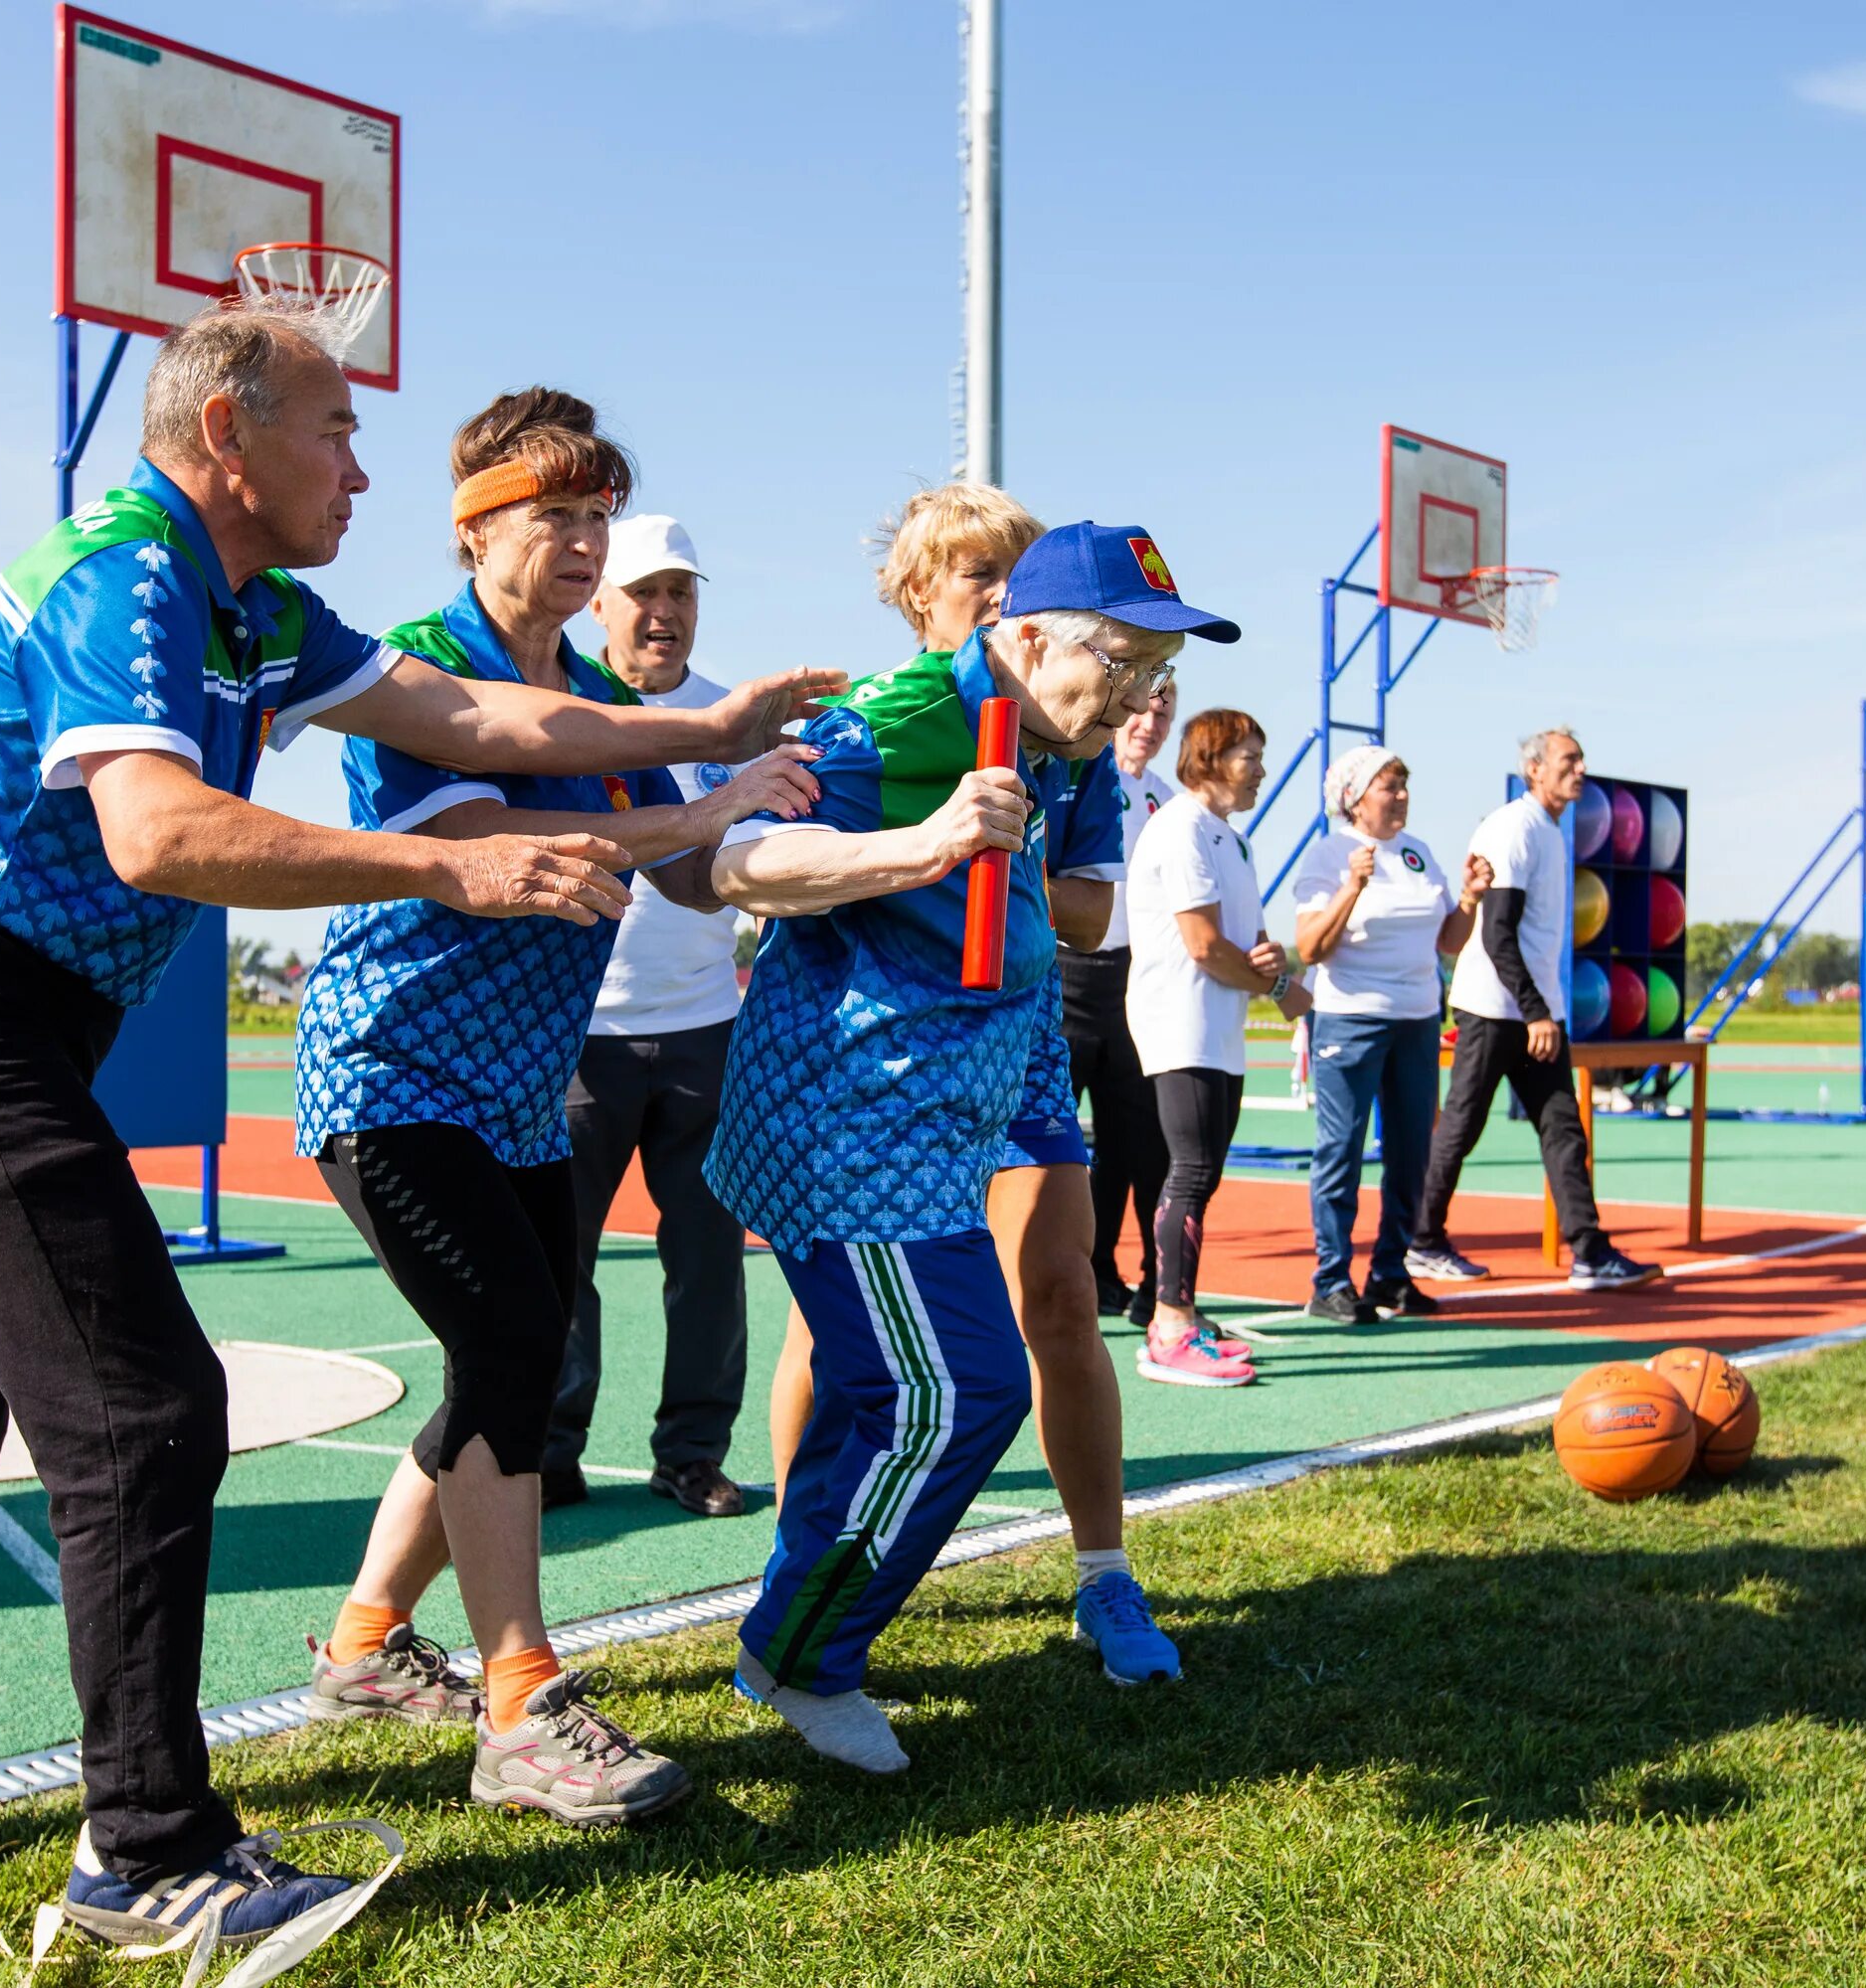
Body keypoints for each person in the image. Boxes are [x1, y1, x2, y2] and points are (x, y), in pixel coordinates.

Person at [0, 308, 833, 1946]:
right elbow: (159, 832)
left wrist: (702, 735)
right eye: (333, 432)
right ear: (228, 439)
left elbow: (483, 724)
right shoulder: (130, 571)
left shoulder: (257, 606)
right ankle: (150, 1856)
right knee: (148, 1409)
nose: (364, 469)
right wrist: (454, 864)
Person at [296, 394, 826, 1828]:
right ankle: (522, 1701)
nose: (588, 545)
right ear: (475, 528)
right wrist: (706, 803)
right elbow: (494, 832)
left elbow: (694, 876)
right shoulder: (418, 672)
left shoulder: (605, 710)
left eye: (602, 517)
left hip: (519, 1100)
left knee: (505, 1370)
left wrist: (861, 859)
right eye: (559, 518)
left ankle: (358, 1645)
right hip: (392, 1078)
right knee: (515, 1346)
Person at [709, 521, 1222, 1771]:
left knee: (897, 1384)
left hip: (948, 1112)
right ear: (1032, 634)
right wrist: (924, 840)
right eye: (1125, 661)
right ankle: (803, 1651)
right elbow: (734, 857)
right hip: (852, 1116)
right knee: (954, 1386)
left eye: (1164, 670)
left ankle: (790, 1638)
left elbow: (1082, 908)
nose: (1143, 696)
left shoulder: (1065, 737)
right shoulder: (902, 714)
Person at [542, 514, 757, 1521]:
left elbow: (761, 867)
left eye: (681, 592)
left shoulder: (732, 722)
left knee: (709, 1255)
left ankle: (692, 1450)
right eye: (644, 593)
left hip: (708, 1028)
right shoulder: (558, 711)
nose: (664, 612)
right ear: (600, 605)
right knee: (558, 1255)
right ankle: (546, 1446)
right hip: (579, 1035)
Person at [1405, 728, 1664, 1292]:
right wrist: (1536, 1013)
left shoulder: (1549, 830)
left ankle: (1590, 1252)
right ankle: (1422, 1241)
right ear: (1534, 770)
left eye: (1581, 759)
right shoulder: (1513, 828)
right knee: (1462, 1127)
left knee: (1563, 1129)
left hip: (1532, 1011)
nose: (1580, 768)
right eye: (1569, 759)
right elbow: (1497, 934)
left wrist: (1543, 1012)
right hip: (1496, 1009)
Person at [1128, 707, 1307, 1384]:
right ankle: (1168, 1324)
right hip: (1182, 1019)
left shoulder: (1231, 839)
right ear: (1208, 758)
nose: (1260, 770)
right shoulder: (1180, 828)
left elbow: (1255, 945)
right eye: (1249, 757)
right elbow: (1206, 946)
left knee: (1203, 1171)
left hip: (1218, 1024)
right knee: (1192, 1170)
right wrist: (1271, 983)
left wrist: (1283, 984)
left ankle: (1184, 1310)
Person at [1288, 746, 1489, 1322]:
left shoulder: (1419, 853)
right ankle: (1330, 1280)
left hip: (1418, 1018)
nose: (1401, 794)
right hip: (1350, 1018)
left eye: (1404, 784)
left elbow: (1449, 939)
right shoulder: (1330, 855)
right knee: (1341, 1151)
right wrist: (1351, 888)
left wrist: (1471, 897)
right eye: (1389, 785)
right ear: (1355, 797)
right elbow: (1310, 948)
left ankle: (1390, 1274)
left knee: (1410, 1152)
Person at [1068, 683, 1178, 1326]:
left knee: (1135, 1140)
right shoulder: (1081, 771)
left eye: (1166, 710)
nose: (1152, 721)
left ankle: (1132, 1275)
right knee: (1055, 1140)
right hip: (1066, 972)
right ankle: (1082, 1269)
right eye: (1146, 706)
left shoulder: (1168, 798)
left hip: (1136, 983)